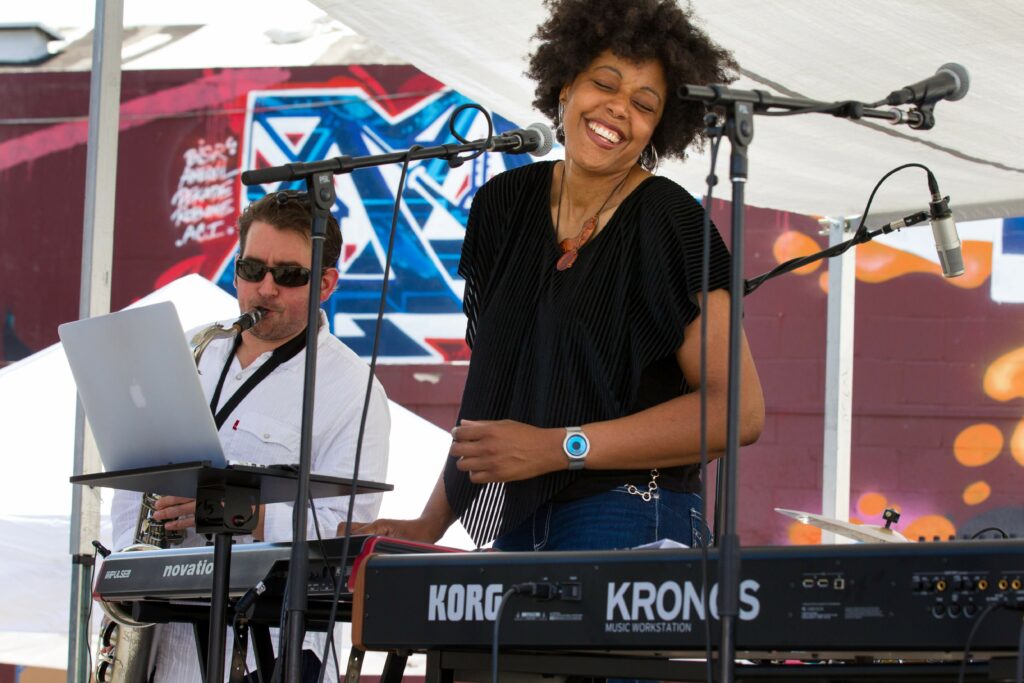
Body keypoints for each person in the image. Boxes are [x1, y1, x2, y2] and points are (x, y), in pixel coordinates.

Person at [356, 0, 763, 553]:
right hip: (520, 516)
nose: (619, 109)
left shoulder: (671, 220)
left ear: (659, 128)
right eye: (605, 84)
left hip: (631, 513)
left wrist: (561, 447)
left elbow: (736, 412)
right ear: (565, 85)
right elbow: (494, 389)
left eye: (644, 104)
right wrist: (432, 521)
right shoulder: (503, 203)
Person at [110, 191, 391, 681]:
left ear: (325, 283)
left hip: (265, 649)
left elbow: (346, 529)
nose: (264, 288)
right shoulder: (193, 348)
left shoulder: (353, 390)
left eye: (288, 276)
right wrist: (131, 582)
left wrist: (251, 518)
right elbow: (135, 480)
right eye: (251, 269)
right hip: (158, 638)